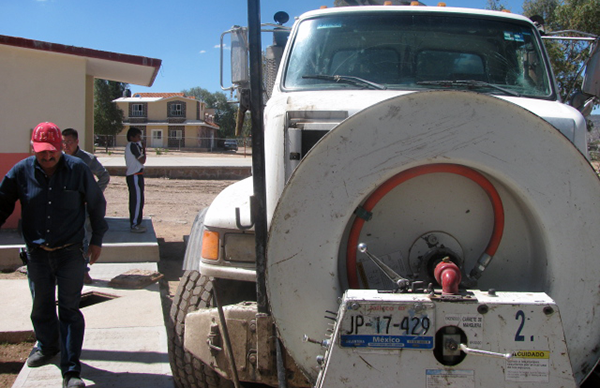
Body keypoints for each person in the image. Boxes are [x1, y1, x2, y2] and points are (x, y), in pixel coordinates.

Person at [0, 122, 108, 388]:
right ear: (33, 149)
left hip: (70, 253)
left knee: (69, 310)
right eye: (41, 153)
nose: (47, 157)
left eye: (52, 152)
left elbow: (96, 204)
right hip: (37, 254)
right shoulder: (22, 171)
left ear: (61, 147)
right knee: (42, 307)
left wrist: (96, 240)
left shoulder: (78, 169)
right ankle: (48, 347)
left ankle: (71, 371)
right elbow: (2, 202)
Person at [62, 128, 110, 284]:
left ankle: (83, 272)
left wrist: (92, 195)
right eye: (63, 142)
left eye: (69, 142)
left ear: (77, 142)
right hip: (63, 208)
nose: (66, 145)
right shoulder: (58, 159)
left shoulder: (87, 159)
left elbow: (104, 176)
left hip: (81, 207)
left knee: (81, 239)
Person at [125, 127, 146, 233]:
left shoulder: (134, 146)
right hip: (134, 176)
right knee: (137, 201)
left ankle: (137, 222)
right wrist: (144, 149)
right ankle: (134, 224)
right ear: (131, 137)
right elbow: (142, 160)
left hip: (137, 175)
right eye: (137, 136)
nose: (139, 139)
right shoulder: (133, 146)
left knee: (139, 199)